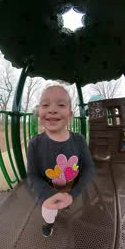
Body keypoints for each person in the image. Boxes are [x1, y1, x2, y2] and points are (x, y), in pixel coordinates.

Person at [26, 85, 95, 237]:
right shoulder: (34, 144)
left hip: (73, 189)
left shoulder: (79, 140)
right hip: (48, 192)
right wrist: (46, 195)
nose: (52, 109)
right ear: (39, 113)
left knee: (74, 205)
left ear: (70, 115)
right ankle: (49, 224)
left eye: (61, 105)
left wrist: (73, 194)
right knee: (49, 213)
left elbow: (89, 169)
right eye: (45, 105)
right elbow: (32, 175)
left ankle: (70, 207)